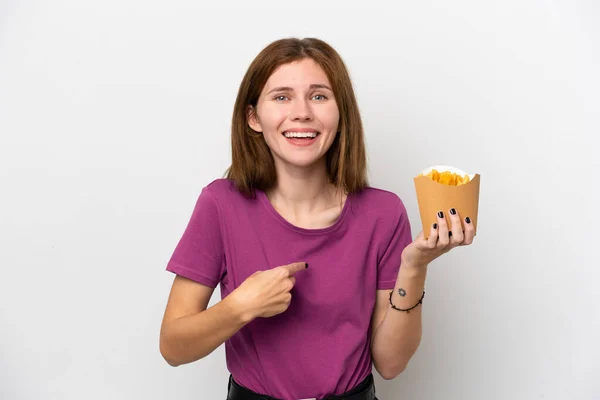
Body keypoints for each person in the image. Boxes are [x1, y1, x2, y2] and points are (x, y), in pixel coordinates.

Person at [159, 37, 475, 400]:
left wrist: (414, 267)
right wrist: (240, 306)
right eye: (281, 97)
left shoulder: (383, 213)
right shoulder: (220, 204)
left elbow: (391, 364)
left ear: (341, 115)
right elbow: (173, 347)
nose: (302, 112)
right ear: (253, 118)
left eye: (319, 96)